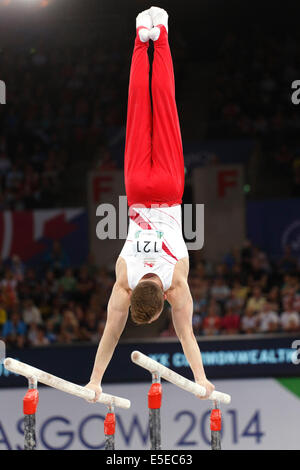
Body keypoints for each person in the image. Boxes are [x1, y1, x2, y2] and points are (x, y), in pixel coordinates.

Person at [85, 7, 215, 402]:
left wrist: (202, 378)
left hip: (171, 188)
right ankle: (144, 37)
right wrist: (95, 380)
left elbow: (186, 335)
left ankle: (164, 35)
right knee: (139, 111)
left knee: (166, 108)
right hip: (139, 188)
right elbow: (110, 334)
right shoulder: (123, 278)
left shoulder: (177, 282)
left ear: (161, 300)